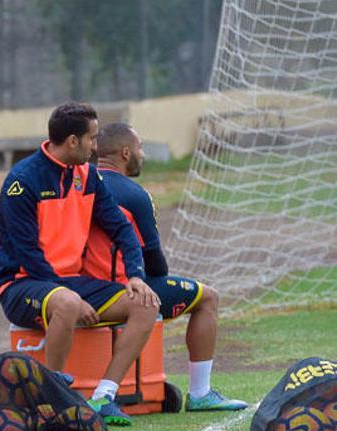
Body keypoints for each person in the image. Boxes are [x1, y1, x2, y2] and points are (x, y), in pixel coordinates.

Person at [0, 102, 160, 426]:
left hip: (69, 283)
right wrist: (67, 293)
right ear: (73, 141)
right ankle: (53, 398)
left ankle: (104, 396)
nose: (97, 146)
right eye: (92, 138)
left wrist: (136, 276)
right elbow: (28, 254)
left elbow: (121, 228)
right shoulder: (22, 181)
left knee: (145, 304)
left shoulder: (88, 176)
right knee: (69, 305)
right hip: (22, 283)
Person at [82, 122, 248, 412]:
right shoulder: (134, 195)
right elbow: (155, 264)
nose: (142, 154)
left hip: (77, 287)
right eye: (140, 148)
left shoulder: (77, 185)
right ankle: (200, 393)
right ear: (125, 152)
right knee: (208, 298)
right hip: (120, 290)